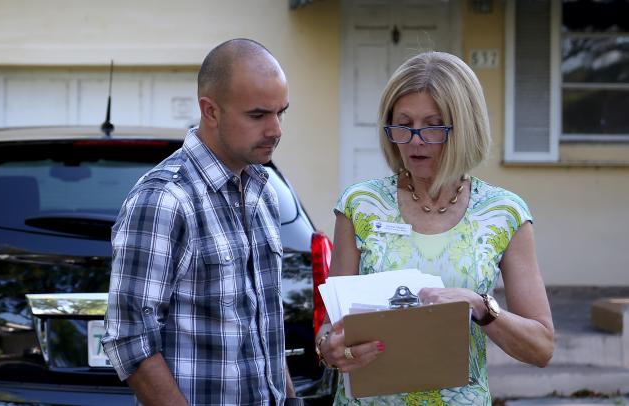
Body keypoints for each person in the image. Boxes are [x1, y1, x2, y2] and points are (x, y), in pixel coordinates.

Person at [316, 51, 555, 404]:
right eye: (403, 124)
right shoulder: (360, 204)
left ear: (464, 127)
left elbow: (541, 347)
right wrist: (329, 350)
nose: (415, 139)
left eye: (432, 125)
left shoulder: (504, 212)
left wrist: (480, 306)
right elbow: (329, 331)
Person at [102, 38, 297, 405]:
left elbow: (264, 326)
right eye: (258, 115)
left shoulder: (263, 192)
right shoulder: (165, 199)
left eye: (281, 112)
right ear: (210, 111)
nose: (276, 129)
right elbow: (130, 339)